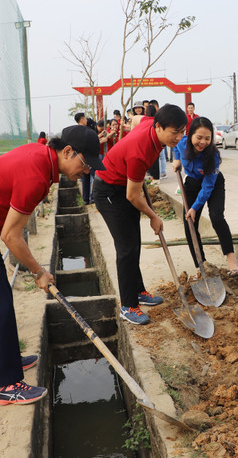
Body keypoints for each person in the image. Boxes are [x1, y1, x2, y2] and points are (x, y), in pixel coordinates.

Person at [0, 125, 101, 405]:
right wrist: (39, 272)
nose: (86, 172)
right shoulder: (35, 174)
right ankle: (5, 386)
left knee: (0, 296)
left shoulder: (42, 160)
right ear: (68, 151)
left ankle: (10, 359)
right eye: (85, 164)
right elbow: (11, 235)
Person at [92, 104, 187, 325]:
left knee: (134, 242)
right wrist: (154, 216)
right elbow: (133, 196)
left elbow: (136, 120)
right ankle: (128, 306)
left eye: (182, 131)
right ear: (159, 127)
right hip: (109, 191)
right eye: (175, 132)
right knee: (126, 248)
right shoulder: (139, 152)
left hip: (123, 185)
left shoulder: (148, 124)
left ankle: (138, 291)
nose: (179, 137)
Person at [172, 116, 238, 274]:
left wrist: (195, 207)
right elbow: (175, 146)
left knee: (217, 218)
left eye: (207, 138)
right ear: (190, 136)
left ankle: (231, 259)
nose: (202, 142)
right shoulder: (182, 143)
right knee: (189, 223)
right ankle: (201, 264)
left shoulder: (213, 156)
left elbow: (208, 186)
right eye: (199, 137)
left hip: (213, 184)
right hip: (192, 183)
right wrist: (176, 160)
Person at [74, 113, 92, 204]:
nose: (86, 121)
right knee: (88, 177)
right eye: (85, 119)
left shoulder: (75, 130)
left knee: (85, 178)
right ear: (81, 120)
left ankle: (86, 199)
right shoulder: (84, 130)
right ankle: (87, 198)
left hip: (80, 157)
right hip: (85, 156)